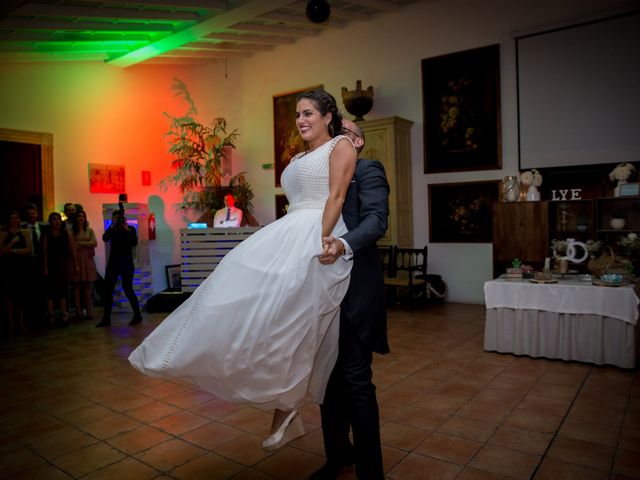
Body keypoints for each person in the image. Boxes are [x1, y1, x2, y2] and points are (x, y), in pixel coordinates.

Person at [129, 88, 357, 451]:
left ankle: (286, 405)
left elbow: (337, 196)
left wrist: (323, 239)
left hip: (318, 232)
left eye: (309, 113)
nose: (301, 120)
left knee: (293, 321)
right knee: (244, 298)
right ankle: (197, 357)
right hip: (289, 228)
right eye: (298, 114)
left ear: (329, 118)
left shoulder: (341, 146)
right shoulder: (300, 155)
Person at [312, 119, 390, 480]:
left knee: (356, 380)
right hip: (320, 290)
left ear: (357, 142)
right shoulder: (320, 174)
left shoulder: (368, 168)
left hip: (357, 288)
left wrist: (343, 244)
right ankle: (338, 457)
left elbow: (376, 221)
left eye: (342, 133)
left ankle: (370, 471)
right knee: (327, 380)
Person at [96, 208, 142, 327]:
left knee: (128, 289)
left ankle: (137, 315)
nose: (117, 220)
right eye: (114, 218)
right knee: (108, 291)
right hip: (113, 264)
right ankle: (106, 318)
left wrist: (126, 228)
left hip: (126, 263)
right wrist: (112, 226)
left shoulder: (130, 229)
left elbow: (134, 242)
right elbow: (105, 238)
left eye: (119, 218)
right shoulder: (112, 230)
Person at [42, 211, 77, 326]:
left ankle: (63, 315)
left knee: (62, 291)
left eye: (58, 219)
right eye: (54, 219)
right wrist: (45, 267)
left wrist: (76, 265)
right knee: (50, 292)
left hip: (62, 265)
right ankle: (51, 316)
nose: (57, 221)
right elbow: (45, 253)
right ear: (50, 222)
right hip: (51, 266)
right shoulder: (46, 235)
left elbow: (73, 251)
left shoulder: (66, 234)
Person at [0, 210, 32, 334]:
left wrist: (13, 251)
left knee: (22, 297)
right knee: (9, 297)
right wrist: (13, 243)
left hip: (22, 268)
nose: (14, 220)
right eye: (12, 218)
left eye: (16, 217)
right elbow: (1, 251)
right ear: (8, 220)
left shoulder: (25, 232)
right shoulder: (3, 233)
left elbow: (28, 250)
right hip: (8, 268)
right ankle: (10, 324)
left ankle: (21, 323)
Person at [71, 210, 98, 321]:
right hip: (75, 259)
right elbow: (72, 246)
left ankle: (89, 310)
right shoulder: (71, 231)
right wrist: (87, 244)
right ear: (75, 218)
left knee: (88, 286)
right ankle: (78, 311)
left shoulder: (89, 230)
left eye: (83, 216)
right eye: (79, 216)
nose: (81, 218)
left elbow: (94, 243)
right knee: (76, 286)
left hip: (88, 259)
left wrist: (80, 243)